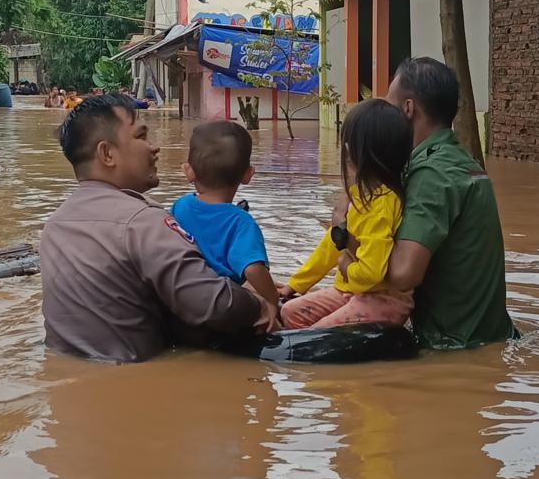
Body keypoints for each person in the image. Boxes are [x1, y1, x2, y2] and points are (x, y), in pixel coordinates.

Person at [40, 93, 273, 363]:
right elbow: (215, 304)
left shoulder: (55, 225)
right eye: (141, 137)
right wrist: (259, 303)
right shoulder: (142, 221)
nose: (154, 148)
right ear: (107, 154)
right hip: (132, 385)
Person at [379, 57, 516, 349]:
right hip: (491, 340)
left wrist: (345, 235)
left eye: (389, 108)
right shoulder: (461, 161)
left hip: (451, 347)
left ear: (408, 108)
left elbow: (404, 275)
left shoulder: (432, 173)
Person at [278, 99, 415, 330]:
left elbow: (371, 273)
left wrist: (346, 268)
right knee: (289, 311)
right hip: (350, 290)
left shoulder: (381, 205)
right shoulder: (356, 196)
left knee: (315, 336)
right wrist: (296, 285)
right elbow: (331, 245)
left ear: (350, 151)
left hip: (382, 300)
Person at [170, 121, 279, 315]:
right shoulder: (242, 222)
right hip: (221, 305)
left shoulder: (180, 206)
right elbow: (253, 269)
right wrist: (272, 300)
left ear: (188, 171)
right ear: (248, 175)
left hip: (180, 297)